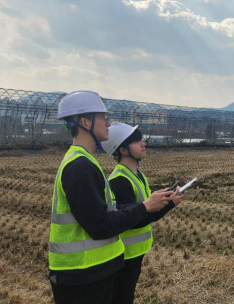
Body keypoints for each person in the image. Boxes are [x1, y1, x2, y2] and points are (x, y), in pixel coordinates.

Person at [48, 91, 176, 304]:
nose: (109, 123)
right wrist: (144, 207)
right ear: (85, 122)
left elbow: (108, 212)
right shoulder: (80, 167)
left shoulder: (86, 162)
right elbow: (100, 225)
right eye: (103, 117)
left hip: (92, 272)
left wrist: (150, 205)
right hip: (82, 275)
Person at [102, 122, 184, 304]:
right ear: (123, 150)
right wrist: (169, 205)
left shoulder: (137, 175)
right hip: (124, 255)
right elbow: (134, 219)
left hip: (134, 254)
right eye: (136, 141)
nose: (143, 143)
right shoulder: (119, 180)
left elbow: (146, 210)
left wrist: (169, 199)